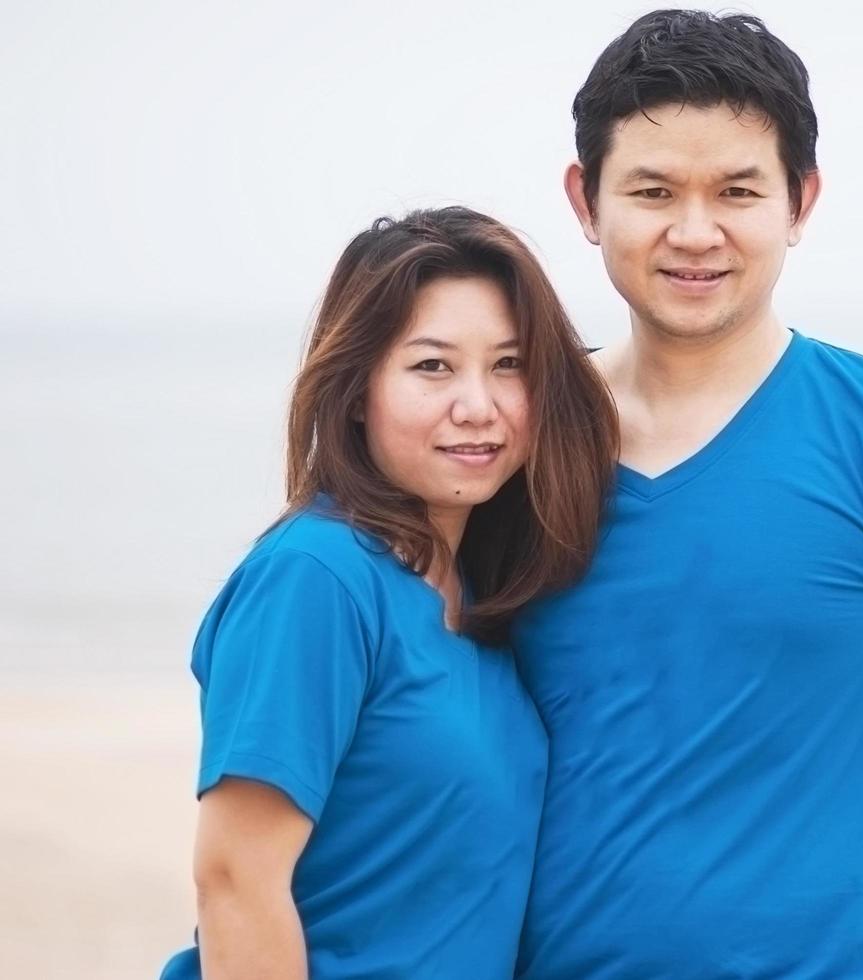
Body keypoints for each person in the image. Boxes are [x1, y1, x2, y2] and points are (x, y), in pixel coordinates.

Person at [509, 10, 863, 979]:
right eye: (654, 190)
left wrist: (845, 946)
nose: (695, 230)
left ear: (801, 200)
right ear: (587, 200)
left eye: (738, 190)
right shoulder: (521, 440)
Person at [159, 207, 616, 979]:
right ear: (357, 390)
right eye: (432, 366)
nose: (478, 406)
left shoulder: (475, 597)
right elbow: (236, 880)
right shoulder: (316, 578)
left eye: (508, 365)